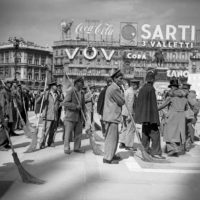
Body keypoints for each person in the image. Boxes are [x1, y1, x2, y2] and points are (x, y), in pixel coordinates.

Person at [135, 68, 165, 159]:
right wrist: (156, 119)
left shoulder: (142, 89)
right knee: (155, 134)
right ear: (152, 80)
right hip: (151, 117)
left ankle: (145, 150)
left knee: (145, 134)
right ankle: (155, 152)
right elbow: (153, 106)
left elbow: (139, 104)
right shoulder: (151, 89)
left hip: (144, 117)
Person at [158, 79, 187, 156]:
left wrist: (154, 109)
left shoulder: (171, 97)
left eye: (171, 87)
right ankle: (174, 150)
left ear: (173, 87)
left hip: (172, 116)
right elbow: (187, 108)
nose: (170, 89)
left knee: (167, 133)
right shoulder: (184, 97)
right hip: (181, 117)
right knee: (178, 134)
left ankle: (174, 148)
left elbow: (162, 106)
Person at [103, 69, 125, 164]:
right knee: (112, 138)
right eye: (120, 78)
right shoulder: (115, 88)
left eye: (122, 79)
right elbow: (122, 101)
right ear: (115, 79)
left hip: (110, 116)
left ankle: (111, 154)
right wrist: (123, 92)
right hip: (112, 116)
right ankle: (108, 158)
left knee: (112, 137)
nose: (121, 80)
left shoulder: (112, 87)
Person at [61, 77, 86, 154]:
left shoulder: (82, 93)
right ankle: (66, 148)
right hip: (70, 116)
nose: (82, 84)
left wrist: (84, 115)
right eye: (81, 83)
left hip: (79, 117)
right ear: (76, 83)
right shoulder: (71, 91)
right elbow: (64, 103)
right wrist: (75, 106)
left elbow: (83, 105)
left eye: (82, 83)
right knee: (68, 134)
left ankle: (77, 147)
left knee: (78, 134)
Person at [119, 79, 140, 150]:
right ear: (135, 85)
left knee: (124, 128)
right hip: (129, 113)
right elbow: (130, 104)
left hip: (124, 112)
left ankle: (122, 142)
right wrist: (130, 114)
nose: (137, 88)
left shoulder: (127, 91)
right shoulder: (131, 92)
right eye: (137, 86)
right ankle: (128, 145)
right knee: (130, 129)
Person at [39, 81, 59, 149]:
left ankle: (50, 142)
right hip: (47, 115)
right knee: (45, 130)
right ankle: (42, 143)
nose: (56, 87)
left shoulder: (57, 94)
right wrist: (41, 95)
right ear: (52, 86)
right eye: (55, 86)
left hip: (54, 115)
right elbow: (38, 101)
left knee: (52, 131)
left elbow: (58, 103)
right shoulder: (46, 94)